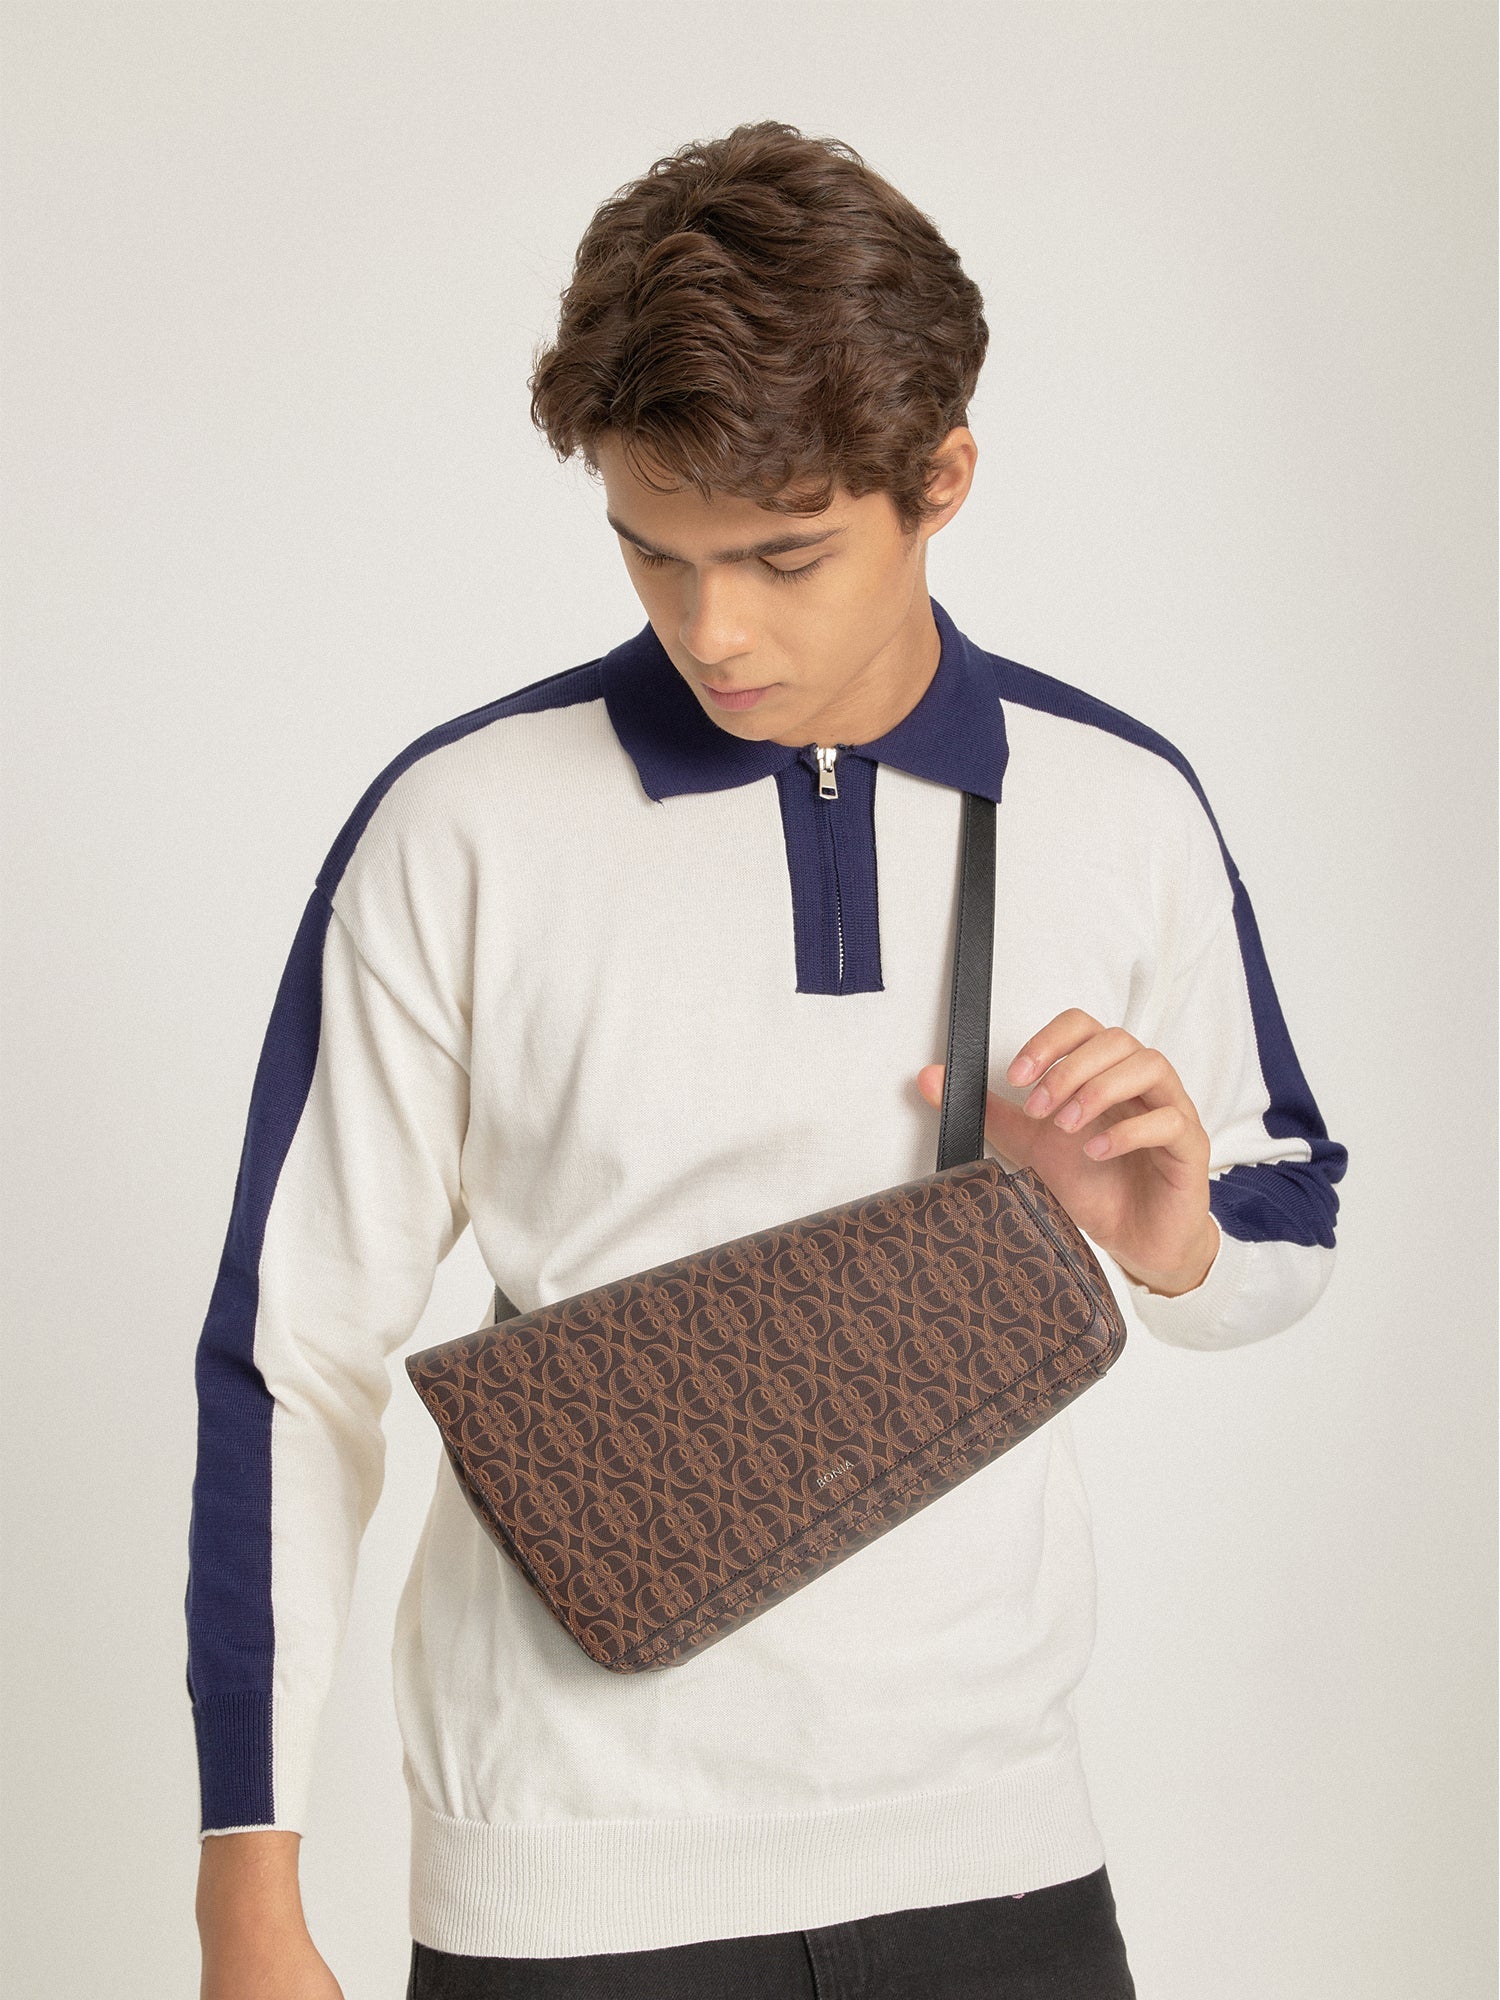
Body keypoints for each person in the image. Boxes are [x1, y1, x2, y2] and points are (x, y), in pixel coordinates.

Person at [187, 120, 1347, 2000]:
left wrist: (1175, 1238)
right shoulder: (461, 823)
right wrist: (247, 1885)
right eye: (652, 552)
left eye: (783, 555)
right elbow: (287, 1356)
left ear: (941, 479)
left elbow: (1292, 1213)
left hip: (1000, 1857)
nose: (712, 630)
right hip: (568, 1879)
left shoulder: (1121, 803)